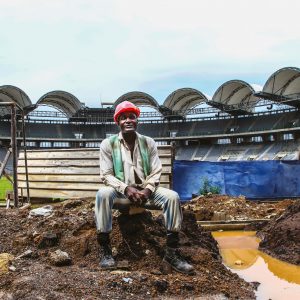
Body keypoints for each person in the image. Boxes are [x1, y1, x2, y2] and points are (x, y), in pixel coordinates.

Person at [95, 101, 194, 274]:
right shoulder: (108, 144)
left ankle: (171, 253)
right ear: (117, 122)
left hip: (145, 192)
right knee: (103, 193)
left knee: (172, 197)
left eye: (131, 117)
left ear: (137, 120)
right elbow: (106, 175)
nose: (128, 120)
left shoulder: (148, 143)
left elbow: (156, 171)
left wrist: (147, 190)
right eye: (123, 117)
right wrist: (126, 189)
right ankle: (105, 249)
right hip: (121, 193)